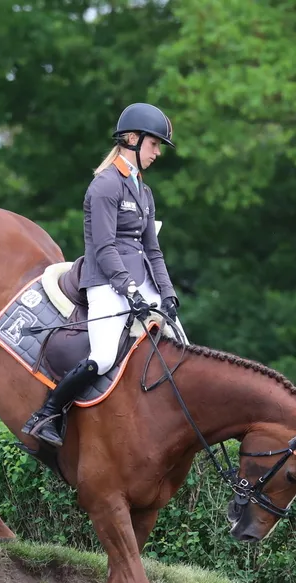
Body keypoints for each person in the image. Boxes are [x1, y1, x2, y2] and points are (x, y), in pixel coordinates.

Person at [24, 102, 184, 447]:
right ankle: (47, 413)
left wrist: (167, 292)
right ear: (132, 139)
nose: (157, 152)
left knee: (181, 348)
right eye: (154, 144)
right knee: (103, 356)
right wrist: (130, 291)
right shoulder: (105, 186)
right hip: (107, 283)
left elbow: (153, 250)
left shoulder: (144, 191)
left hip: (142, 281)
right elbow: (104, 247)